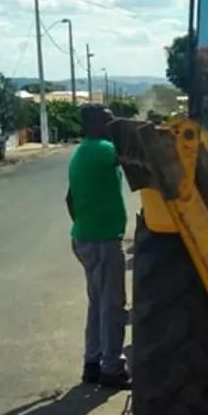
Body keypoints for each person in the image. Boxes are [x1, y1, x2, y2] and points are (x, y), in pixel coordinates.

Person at [66, 104, 130, 388]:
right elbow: (134, 157)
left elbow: (69, 199)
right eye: (107, 119)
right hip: (103, 240)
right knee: (113, 305)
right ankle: (112, 369)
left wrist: (84, 227)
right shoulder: (104, 149)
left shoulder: (81, 152)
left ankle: (92, 363)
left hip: (84, 237)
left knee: (97, 303)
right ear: (94, 123)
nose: (111, 122)